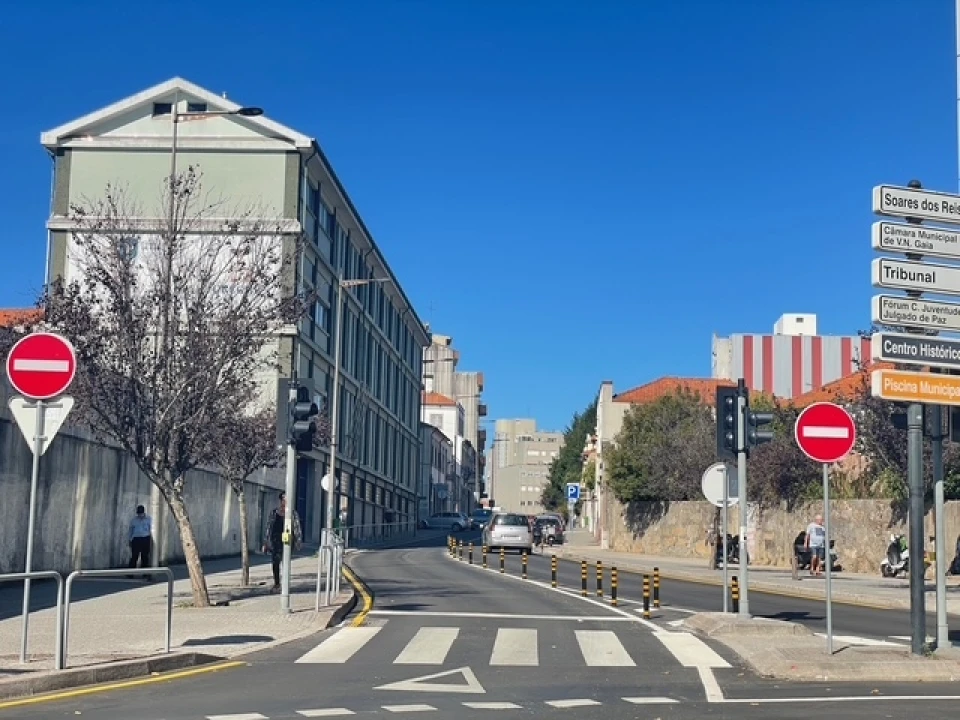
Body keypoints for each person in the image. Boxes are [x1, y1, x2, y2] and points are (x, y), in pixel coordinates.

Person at [262, 492, 302, 592]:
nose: (285, 501)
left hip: (288, 540)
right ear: (280, 500)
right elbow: (269, 527)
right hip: (276, 540)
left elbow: (297, 528)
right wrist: (266, 542)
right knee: (275, 561)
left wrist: (298, 541)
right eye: (283, 499)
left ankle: (285, 585)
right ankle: (277, 583)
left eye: (287, 499)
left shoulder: (292, 513)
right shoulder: (274, 513)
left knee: (286, 562)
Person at [129, 505, 152, 571]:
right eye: (138, 513)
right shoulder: (134, 520)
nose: (140, 515)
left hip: (145, 538)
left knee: (145, 556)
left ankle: (145, 572)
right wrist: (130, 539)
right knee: (134, 556)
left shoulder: (148, 519)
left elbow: (151, 528)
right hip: (136, 539)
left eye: (141, 513)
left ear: (143, 513)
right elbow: (130, 530)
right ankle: (130, 572)